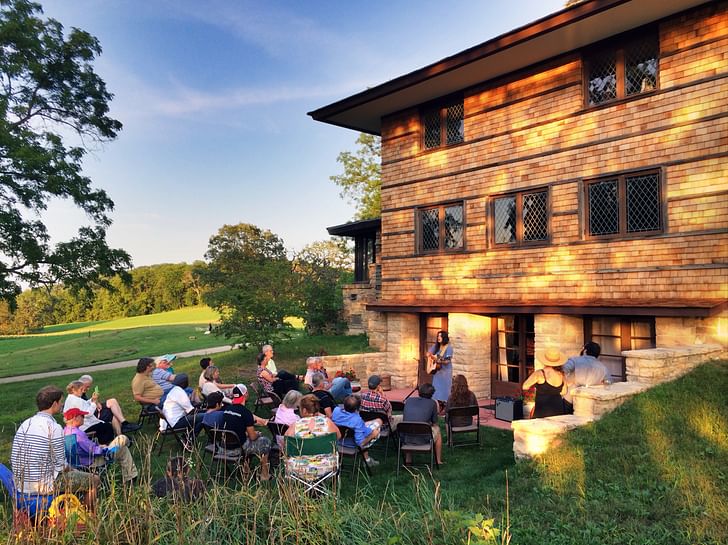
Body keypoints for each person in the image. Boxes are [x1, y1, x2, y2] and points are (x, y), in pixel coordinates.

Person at [11, 386, 99, 512]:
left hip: (21, 484)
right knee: (93, 480)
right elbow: (61, 466)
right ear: (54, 404)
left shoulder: (25, 424)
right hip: (43, 485)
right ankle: (88, 516)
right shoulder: (53, 427)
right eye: (60, 401)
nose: (62, 404)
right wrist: (74, 469)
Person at [63, 408, 138, 484]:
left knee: (123, 449)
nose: (84, 417)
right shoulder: (78, 434)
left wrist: (99, 446)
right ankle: (130, 477)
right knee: (122, 439)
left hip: (76, 463)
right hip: (93, 462)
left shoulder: (65, 431)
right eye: (82, 415)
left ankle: (131, 477)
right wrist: (103, 449)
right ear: (75, 418)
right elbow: (93, 450)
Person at [221, 384, 272, 480]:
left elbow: (233, 429)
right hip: (238, 448)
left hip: (223, 447)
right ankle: (264, 475)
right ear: (245, 395)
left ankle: (246, 470)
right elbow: (252, 437)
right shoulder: (245, 413)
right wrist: (257, 434)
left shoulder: (226, 410)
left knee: (248, 439)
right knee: (265, 441)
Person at [284, 394, 340, 480]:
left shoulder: (295, 425)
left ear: (304, 410)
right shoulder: (327, 422)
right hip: (325, 467)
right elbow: (338, 436)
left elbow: (286, 442)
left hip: (299, 468)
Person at [331, 395, 382, 467]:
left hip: (338, 441)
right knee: (377, 426)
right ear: (357, 409)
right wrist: (372, 435)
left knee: (374, 422)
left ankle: (367, 459)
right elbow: (360, 443)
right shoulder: (357, 420)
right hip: (351, 444)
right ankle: (367, 461)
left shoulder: (336, 410)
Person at [403, 383, 444, 465]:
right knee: (438, 431)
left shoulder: (409, 400)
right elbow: (435, 422)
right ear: (432, 394)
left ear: (419, 392)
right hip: (424, 437)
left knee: (410, 424)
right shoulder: (432, 403)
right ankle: (438, 460)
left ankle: (408, 459)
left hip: (405, 437)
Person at [562, 341, 611, 409]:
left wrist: (567, 382)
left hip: (570, 399)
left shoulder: (574, 360)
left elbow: (563, 371)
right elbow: (608, 383)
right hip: (590, 402)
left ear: (585, 351)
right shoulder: (603, 368)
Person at [522, 347, 568, 418]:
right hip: (558, 408)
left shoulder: (540, 373)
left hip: (542, 409)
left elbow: (525, 386)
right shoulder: (561, 375)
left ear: (544, 360)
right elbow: (564, 391)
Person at [427, 330, 454, 410]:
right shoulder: (436, 346)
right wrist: (429, 356)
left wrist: (439, 360)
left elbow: (448, 360)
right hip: (437, 371)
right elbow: (429, 353)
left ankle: (445, 407)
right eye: (438, 336)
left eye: (440, 336)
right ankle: (438, 406)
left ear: (444, 337)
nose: (438, 338)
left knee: (445, 389)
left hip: (445, 372)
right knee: (436, 388)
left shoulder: (449, 347)